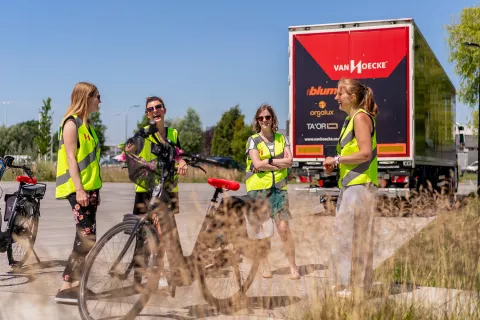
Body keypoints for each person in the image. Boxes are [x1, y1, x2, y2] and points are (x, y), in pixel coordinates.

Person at [323, 77, 379, 299]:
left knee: (352, 238)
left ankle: (352, 288)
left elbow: (365, 153)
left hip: (360, 186)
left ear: (352, 97)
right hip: (351, 186)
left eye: (340, 93)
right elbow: (353, 155)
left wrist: (336, 160)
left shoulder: (360, 118)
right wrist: (335, 164)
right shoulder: (350, 120)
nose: (336, 97)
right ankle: (354, 286)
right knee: (347, 237)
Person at [124, 96, 188, 285]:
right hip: (146, 188)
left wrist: (182, 162)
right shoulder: (144, 132)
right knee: (145, 234)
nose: (155, 111)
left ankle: (170, 272)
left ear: (164, 110)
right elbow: (128, 149)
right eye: (150, 109)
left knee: (167, 232)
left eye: (158, 107)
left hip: (167, 189)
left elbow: (178, 155)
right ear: (147, 114)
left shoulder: (173, 133)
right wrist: (141, 161)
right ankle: (141, 275)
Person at [54, 82, 102, 303]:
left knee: (85, 238)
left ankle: (74, 285)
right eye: (97, 97)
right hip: (77, 189)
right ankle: (66, 286)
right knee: (86, 238)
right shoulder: (71, 123)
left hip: (90, 189)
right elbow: (71, 158)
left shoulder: (88, 126)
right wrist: (80, 189)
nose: (100, 101)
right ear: (86, 97)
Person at [245, 104, 300, 280]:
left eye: (267, 117)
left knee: (283, 228)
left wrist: (267, 161)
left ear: (273, 119)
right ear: (257, 121)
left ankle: (293, 266)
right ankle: (265, 266)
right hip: (258, 189)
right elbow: (257, 164)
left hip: (279, 189)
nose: (264, 120)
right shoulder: (253, 140)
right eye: (261, 118)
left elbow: (290, 161)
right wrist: (278, 162)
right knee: (263, 230)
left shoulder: (282, 138)